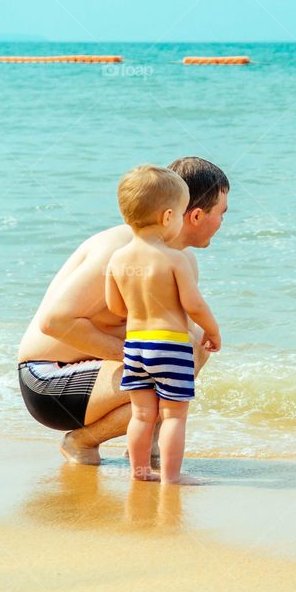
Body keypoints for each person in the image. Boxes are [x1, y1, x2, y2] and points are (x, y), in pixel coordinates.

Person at [17, 157, 229, 465]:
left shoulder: (179, 259)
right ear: (195, 215)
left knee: (190, 344)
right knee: (165, 369)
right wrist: (132, 357)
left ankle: (145, 447)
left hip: (89, 371)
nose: (223, 222)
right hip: (46, 380)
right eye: (222, 213)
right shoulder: (120, 249)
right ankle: (81, 441)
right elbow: (55, 321)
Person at [105, 165, 220, 484]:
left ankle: (140, 472)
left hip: (136, 347)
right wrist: (212, 330)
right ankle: (171, 476)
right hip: (171, 346)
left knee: (142, 415)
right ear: (169, 217)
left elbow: (116, 307)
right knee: (173, 416)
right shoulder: (175, 259)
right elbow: (193, 304)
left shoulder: (117, 259)